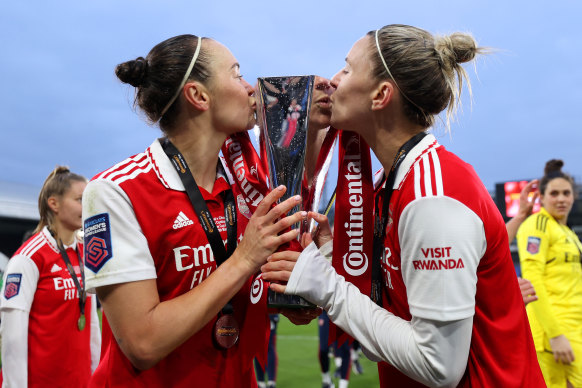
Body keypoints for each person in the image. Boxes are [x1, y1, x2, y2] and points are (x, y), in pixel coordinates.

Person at [262, 24, 545, 387]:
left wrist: (326, 285)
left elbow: (438, 366)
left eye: (347, 69)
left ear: (381, 95)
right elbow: (390, 328)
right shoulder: (394, 184)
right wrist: (332, 256)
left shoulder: (432, 198)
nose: (333, 80)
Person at [82, 34, 317, 387]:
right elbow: (142, 343)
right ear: (198, 96)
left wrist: (289, 298)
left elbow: (224, 291)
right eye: (237, 75)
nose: (251, 88)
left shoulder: (245, 186)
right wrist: (243, 259)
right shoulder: (116, 192)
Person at [0, 166, 100, 387]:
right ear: (53, 204)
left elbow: (92, 322)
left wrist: (95, 377)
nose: (88, 206)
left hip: (80, 381)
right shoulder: (28, 258)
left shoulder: (86, 251)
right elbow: (12, 337)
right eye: (80, 199)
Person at [517, 159, 582, 387]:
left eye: (566, 193)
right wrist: (555, 335)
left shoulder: (568, 233)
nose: (561, 199)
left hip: (576, 329)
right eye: (554, 194)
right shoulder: (537, 226)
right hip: (554, 335)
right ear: (542, 198)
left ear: (573, 197)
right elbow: (533, 281)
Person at [254, 314, 279, 388]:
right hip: (268, 313)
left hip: (262, 313)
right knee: (266, 347)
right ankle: (268, 381)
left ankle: (262, 381)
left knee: (261, 347)